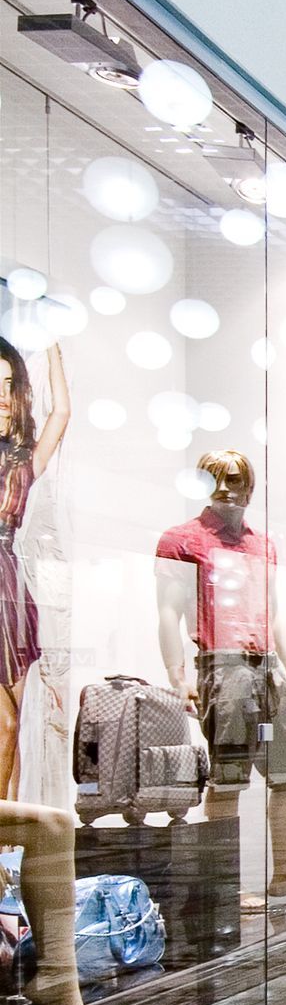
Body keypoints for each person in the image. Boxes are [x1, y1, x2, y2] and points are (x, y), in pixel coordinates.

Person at [0, 338, 69, 797]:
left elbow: (60, 415)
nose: (3, 396)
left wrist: (55, 350)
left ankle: (7, 856)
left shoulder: (21, 461)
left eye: (9, 384)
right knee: (4, 724)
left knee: (15, 727)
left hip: (9, 586)